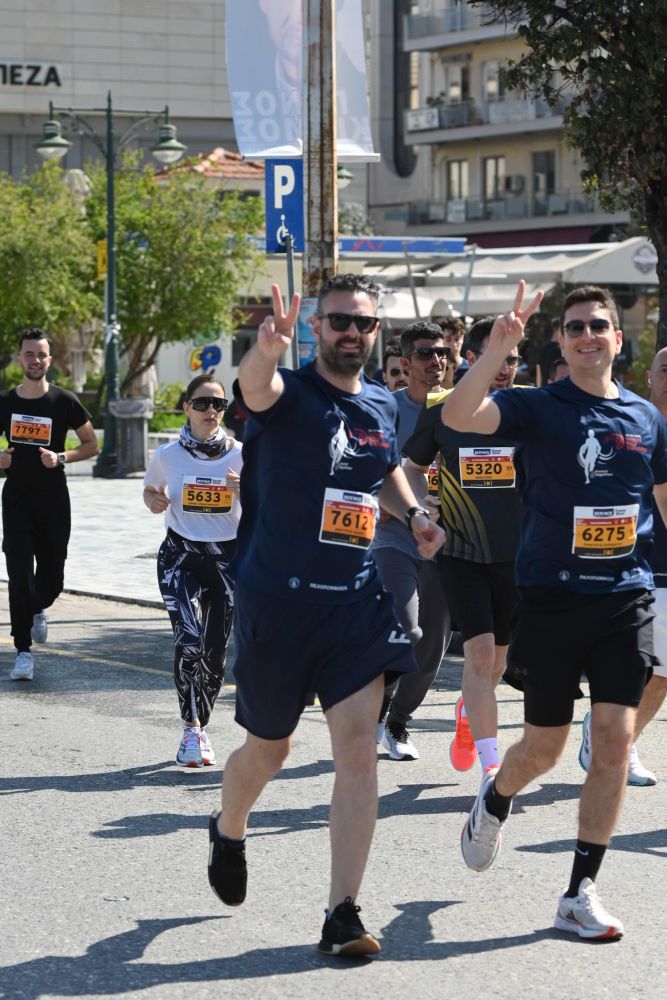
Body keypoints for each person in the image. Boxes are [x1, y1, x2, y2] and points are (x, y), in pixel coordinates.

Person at [206, 274, 445, 957]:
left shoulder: (380, 402)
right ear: (317, 327)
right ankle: (228, 827)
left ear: (376, 333)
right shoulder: (287, 393)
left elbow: (384, 468)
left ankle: (342, 912)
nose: (351, 332)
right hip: (278, 602)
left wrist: (414, 514)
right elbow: (254, 387)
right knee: (269, 749)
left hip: (353, 602)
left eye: (362, 323)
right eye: (339, 320)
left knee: (358, 752)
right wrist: (265, 348)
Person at [444, 282, 667, 942]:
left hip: (624, 596)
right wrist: (495, 350)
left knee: (614, 742)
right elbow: (459, 414)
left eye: (598, 324)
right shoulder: (538, 407)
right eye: (574, 327)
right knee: (543, 748)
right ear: (562, 345)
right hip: (551, 597)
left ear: (618, 339)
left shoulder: (646, 419)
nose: (587, 335)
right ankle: (496, 797)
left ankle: (578, 892)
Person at [403, 318, 523, 781]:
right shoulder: (442, 410)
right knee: (480, 655)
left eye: (512, 359)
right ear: (471, 358)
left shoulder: (527, 409)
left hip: (514, 555)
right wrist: (421, 507)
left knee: (498, 663)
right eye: (496, 357)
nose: (505, 368)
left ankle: (469, 714)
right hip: (461, 552)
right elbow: (411, 469)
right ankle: (492, 766)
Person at [578, 345, 667, 786]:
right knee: (644, 668)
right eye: (665, 370)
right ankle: (611, 738)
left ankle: (616, 740)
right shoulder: (630, 423)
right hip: (631, 564)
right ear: (649, 378)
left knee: (662, 674)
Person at [143, 375, 242, 768]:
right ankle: (191, 728)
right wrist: (153, 500)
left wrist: (245, 491)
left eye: (218, 404)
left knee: (214, 655)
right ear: (186, 408)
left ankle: (202, 724)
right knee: (189, 643)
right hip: (180, 557)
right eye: (202, 403)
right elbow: (151, 490)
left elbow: (267, 507)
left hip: (227, 562)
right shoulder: (168, 455)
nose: (211, 411)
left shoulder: (242, 455)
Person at [0, 328, 99, 682]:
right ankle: (23, 652)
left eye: (41, 354)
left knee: (52, 578)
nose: (35, 360)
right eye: (29, 354)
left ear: (49, 360)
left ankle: (38, 606)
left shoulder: (64, 401)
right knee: (19, 575)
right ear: (20, 359)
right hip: (16, 499)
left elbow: (91, 444)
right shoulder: (5, 401)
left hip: (54, 499)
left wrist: (61, 457)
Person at [373, 321, 451, 760]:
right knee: (406, 629)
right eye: (425, 353)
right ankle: (375, 708)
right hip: (394, 537)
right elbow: (365, 469)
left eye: (442, 352)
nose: (436, 360)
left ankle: (397, 723)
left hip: (447, 544)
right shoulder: (386, 409)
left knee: (433, 643)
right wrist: (382, 503)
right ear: (406, 362)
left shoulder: (461, 407)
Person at [435, 316, 468, 386]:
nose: (454, 344)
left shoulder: (471, 369)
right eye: (448, 340)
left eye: (457, 339)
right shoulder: (432, 370)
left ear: (462, 338)